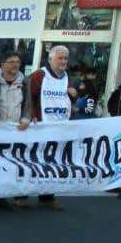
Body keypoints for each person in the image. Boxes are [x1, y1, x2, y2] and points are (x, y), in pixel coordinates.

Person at [28, 45, 76, 210]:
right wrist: (31, 114)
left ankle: (47, 196)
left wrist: (72, 97)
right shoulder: (39, 75)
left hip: (59, 127)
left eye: (65, 59)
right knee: (32, 160)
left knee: (52, 162)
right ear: (50, 59)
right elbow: (28, 97)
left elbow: (66, 100)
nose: (63, 62)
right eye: (60, 58)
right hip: (40, 125)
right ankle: (20, 194)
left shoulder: (66, 77)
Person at [0, 52, 31, 209]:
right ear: (3, 64)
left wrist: (26, 118)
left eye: (18, 62)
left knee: (16, 161)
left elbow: (28, 102)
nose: (15, 65)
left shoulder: (25, 81)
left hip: (16, 128)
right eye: (11, 61)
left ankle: (17, 194)